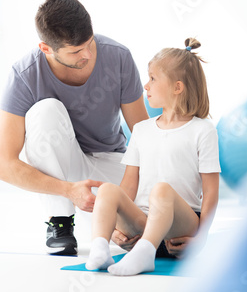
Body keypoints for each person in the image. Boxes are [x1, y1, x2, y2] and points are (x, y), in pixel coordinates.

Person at [0, 0, 149, 256]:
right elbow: (3, 165)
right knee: (46, 110)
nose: (87, 55)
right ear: (46, 49)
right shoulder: (24, 76)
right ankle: (60, 222)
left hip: (110, 163)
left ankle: (108, 222)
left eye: (89, 44)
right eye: (76, 51)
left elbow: (146, 137)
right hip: (64, 176)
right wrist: (69, 191)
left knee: (155, 230)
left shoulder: (119, 57)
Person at [85, 38, 221, 275]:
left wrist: (202, 238)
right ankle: (100, 248)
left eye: (152, 78)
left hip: (181, 229)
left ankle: (145, 254)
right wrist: (117, 228)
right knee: (108, 189)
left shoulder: (203, 130)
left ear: (177, 87)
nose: (145, 86)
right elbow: (129, 184)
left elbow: (210, 192)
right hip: (143, 225)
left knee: (162, 190)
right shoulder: (142, 129)